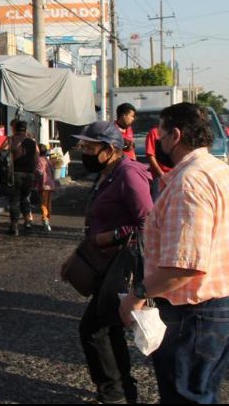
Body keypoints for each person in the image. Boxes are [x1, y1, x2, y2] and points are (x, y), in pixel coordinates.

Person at [119, 103, 229, 404]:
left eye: (161, 133)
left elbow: (185, 266)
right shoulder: (219, 170)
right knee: (202, 392)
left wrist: (137, 295)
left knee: (185, 395)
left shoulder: (188, 183)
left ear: (176, 135)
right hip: (216, 306)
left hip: (194, 313)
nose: (158, 140)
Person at [62, 121, 153, 405]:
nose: (84, 152)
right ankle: (120, 391)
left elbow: (148, 221)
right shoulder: (107, 173)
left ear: (110, 149)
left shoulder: (128, 175)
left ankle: (115, 393)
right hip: (102, 263)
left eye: (90, 147)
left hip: (120, 265)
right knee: (106, 328)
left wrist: (111, 236)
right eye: (83, 146)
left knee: (94, 330)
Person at [0, 119, 38, 236]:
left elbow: (2, 151)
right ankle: (27, 222)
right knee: (25, 198)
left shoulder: (11, 140)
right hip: (29, 174)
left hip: (15, 174)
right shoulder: (32, 142)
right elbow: (36, 158)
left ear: (15, 129)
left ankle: (14, 226)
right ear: (25, 130)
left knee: (15, 200)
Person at [144, 125, 172, 200]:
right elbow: (150, 155)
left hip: (177, 175)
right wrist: (161, 174)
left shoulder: (178, 132)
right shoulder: (154, 132)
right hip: (160, 177)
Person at [35, 144, 56, 233]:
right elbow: (53, 171)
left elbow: (39, 173)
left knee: (43, 204)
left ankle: (45, 220)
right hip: (50, 185)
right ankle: (48, 219)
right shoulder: (47, 160)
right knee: (48, 203)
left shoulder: (38, 161)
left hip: (43, 185)